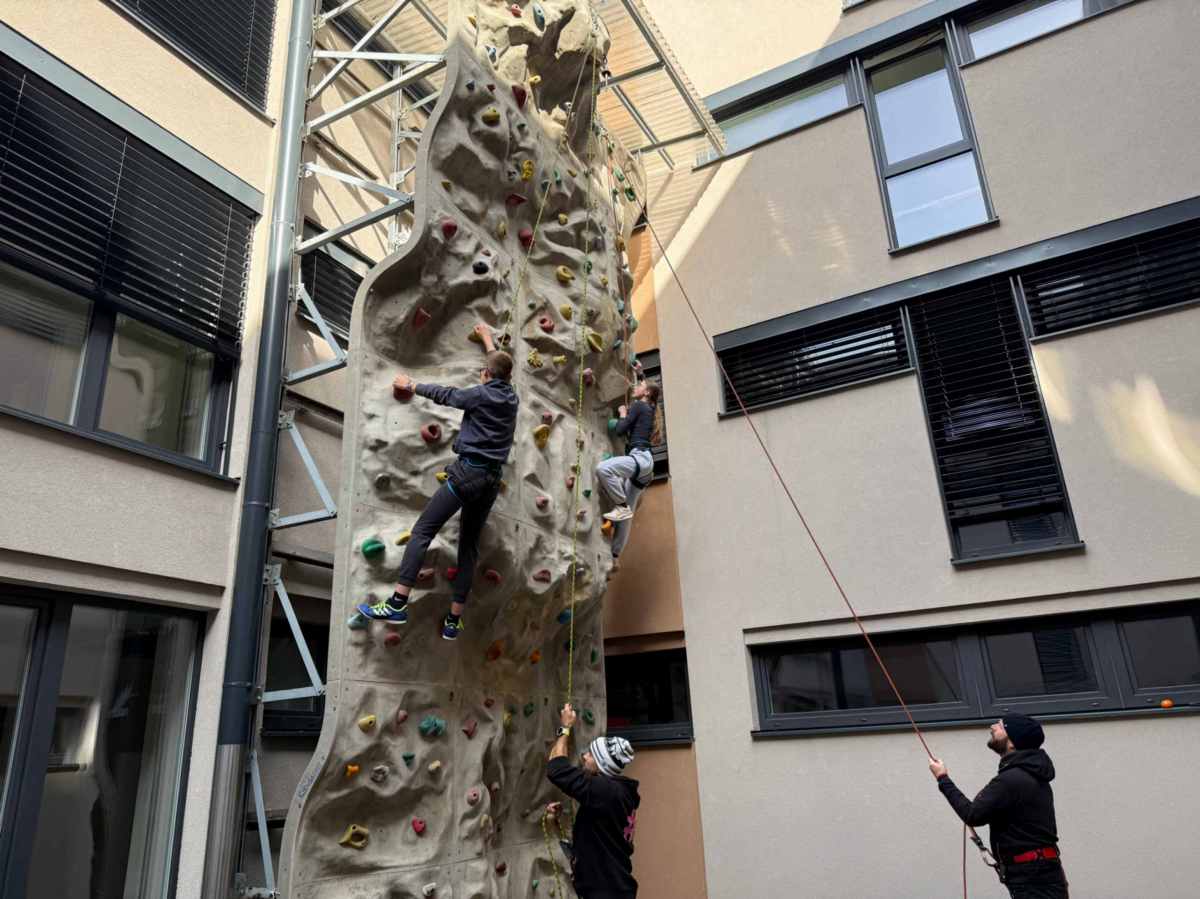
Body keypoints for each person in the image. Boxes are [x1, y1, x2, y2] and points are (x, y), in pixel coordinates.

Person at [357, 323, 518, 641]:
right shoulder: (511, 398)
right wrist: (488, 340)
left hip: (469, 473)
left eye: (483, 372)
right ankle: (453, 621)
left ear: (486, 375)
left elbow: (448, 395)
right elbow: (498, 367)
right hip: (490, 480)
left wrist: (411, 384)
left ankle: (398, 603)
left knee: (422, 532)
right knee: (468, 547)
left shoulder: (480, 395)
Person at [929, 714, 1069, 899]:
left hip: (1032, 877)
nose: (993, 726)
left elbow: (972, 815)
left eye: (1001, 726)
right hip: (1039, 872)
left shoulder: (1011, 779)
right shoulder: (1030, 774)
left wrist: (943, 778)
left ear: (1012, 742)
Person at [546, 703, 640, 899]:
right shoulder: (616, 794)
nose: (584, 757)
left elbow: (556, 769)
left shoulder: (606, 791)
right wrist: (557, 825)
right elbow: (590, 845)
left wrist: (565, 727)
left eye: (590, 754)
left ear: (601, 764)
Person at [595, 381, 661, 576]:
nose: (635, 386)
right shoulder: (649, 408)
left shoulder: (640, 405)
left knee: (603, 469)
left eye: (640, 385)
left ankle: (620, 506)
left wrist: (623, 413)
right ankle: (615, 555)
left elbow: (620, 429)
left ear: (646, 392)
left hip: (639, 459)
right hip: (645, 466)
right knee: (627, 517)